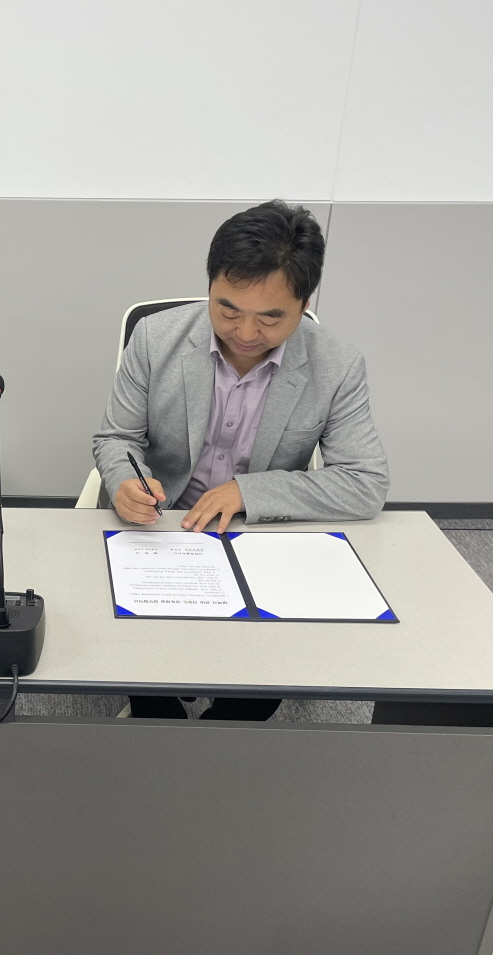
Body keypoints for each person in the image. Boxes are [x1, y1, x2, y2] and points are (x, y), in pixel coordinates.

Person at [92, 199, 389, 721]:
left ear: (304, 302)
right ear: (210, 286)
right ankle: (154, 714)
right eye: (228, 310)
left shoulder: (337, 366)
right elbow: (118, 438)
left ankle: (230, 729)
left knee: (258, 684)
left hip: (263, 530)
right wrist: (123, 480)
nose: (246, 333)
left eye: (271, 317)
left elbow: (364, 483)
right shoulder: (156, 338)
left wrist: (248, 493)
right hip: (164, 526)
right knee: (146, 663)